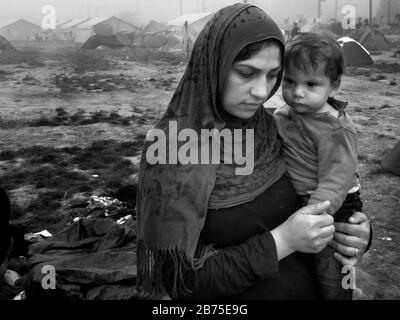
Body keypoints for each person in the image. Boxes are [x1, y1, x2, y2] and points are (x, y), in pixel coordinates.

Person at [136, 3, 372, 300]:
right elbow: (183, 283)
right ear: (214, 65)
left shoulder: (270, 129)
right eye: (246, 73)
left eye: (273, 75)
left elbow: (329, 177)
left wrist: (355, 231)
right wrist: (282, 241)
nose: (262, 92)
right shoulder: (173, 151)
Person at [274, 32, 363, 300]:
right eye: (289, 81)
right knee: (306, 264)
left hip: (332, 207)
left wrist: (313, 214)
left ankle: (346, 294)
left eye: (311, 84)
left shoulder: (335, 130)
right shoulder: (289, 113)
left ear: (333, 86)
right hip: (306, 201)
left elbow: (337, 180)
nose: (297, 92)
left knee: (333, 268)